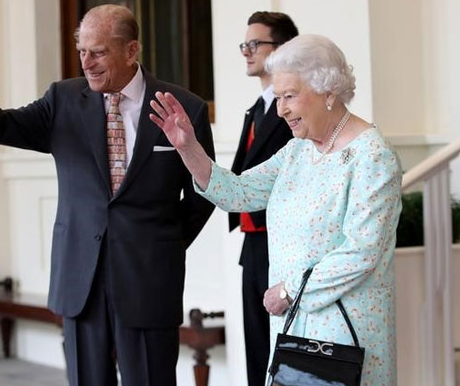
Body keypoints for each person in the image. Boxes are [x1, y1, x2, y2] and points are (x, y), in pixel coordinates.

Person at [0, 4, 215, 386]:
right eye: (81, 50)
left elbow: (204, 193)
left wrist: (164, 243)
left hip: (149, 279)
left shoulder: (185, 107)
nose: (87, 62)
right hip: (80, 282)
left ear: (132, 51)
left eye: (98, 52)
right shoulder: (63, 100)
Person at [150, 34, 402, 385]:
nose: (280, 109)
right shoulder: (297, 152)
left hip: (345, 329)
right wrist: (188, 147)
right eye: (278, 96)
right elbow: (238, 193)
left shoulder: (372, 157)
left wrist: (288, 292)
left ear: (328, 92)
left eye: (289, 96)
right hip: (291, 321)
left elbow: (362, 252)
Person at [233, 11, 297, 386]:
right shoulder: (255, 108)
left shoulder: (294, 108)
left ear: (283, 48)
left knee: (283, 345)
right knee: (255, 344)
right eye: (244, 44)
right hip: (253, 244)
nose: (247, 51)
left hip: (282, 241)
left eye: (255, 44)